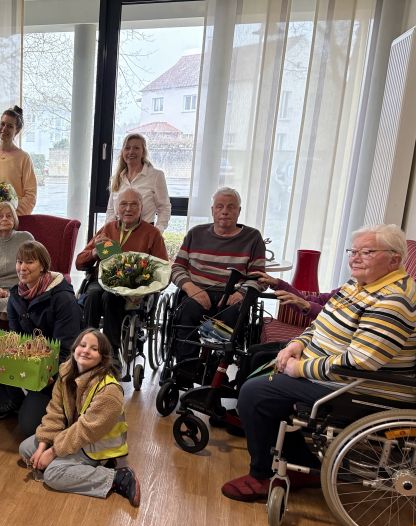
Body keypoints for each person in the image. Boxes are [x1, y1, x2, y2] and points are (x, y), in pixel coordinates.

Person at [221, 224, 416, 502]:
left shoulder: (393, 301)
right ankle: (299, 461)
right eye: (353, 251)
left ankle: (262, 475)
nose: (355, 258)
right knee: (259, 357)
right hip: (335, 373)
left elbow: (360, 361)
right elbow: (321, 323)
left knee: (255, 393)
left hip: (361, 388)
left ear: (394, 259)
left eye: (367, 252)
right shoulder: (358, 284)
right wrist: (297, 344)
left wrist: (299, 368)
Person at [19, 329, 140, 506]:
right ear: (74, 348)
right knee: (26, 450)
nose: (86, 351)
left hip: (96, 445)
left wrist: (52, 452)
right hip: (73, 434)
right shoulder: (66, 372)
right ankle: (69, 465)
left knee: (53, 475)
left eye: (94, 349)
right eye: (82, 345)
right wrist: (43, 444)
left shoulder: (109, 391)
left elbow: (85, 431)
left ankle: (117, 477)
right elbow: (55, 411)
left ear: (103, 357)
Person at [0, 241, 83, 434]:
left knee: (30, 427)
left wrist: (48, 376)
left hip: (56, 372)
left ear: (43, 266)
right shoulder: (16, 294)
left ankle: (48, 402)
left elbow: (68, 350)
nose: (22, 267)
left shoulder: (63, 299)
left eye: (29, 262)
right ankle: (14, 400)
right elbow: (16, 339)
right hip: (30, 364)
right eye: (19, 261)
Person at [170, 187, 266, 374]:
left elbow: (260, 277)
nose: (225, 211)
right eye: (220, 206)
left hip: (231, 296)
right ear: (212, 210)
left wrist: (241, 293)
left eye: (231, 207)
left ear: (239, 211)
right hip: (197, 292)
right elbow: (177, 267)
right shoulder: (195, 233)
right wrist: (190, 288)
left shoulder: (253, 238)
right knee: (187, 311)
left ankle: (213, 371)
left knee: (231, 317)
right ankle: (186, 370)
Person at [76, 188, 168, 368]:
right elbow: (79, 262)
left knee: (111, 297)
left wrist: (144, 288)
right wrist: (95, 252)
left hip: (131, 288)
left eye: (134, 204)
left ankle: (110, 353)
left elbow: (163, 271)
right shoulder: (107, 229)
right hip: (101, 280)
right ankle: (86, 347)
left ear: (141, 208)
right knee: (93, 295)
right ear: (117, 208)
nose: (128, 209)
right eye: (124, 204)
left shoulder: (152, 234)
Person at [0, 105, 37, 216]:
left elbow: (30, 196)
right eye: (2, 124)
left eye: (10, 126)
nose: (4, 129)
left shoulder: (24, 158)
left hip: (14, 219)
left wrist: (10, 214)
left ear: (17, 130)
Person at [104, 133, 171, 232]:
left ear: (143, 152)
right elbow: (111, 210)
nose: (131, 152)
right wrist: (109, 231)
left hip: (144, 233)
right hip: (118, 233)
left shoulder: (156, 176)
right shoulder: (117, 178)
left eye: (136, 148)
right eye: (127, 148)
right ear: (122, 152)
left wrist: (157, 231)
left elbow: (164, 208)